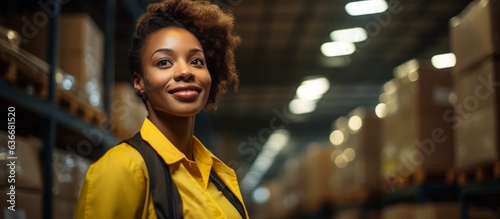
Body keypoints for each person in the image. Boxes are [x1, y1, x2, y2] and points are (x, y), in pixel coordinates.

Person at [74, 0, 248, 218]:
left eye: (196, 61)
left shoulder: (222, 177)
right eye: (164, 62)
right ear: (139, 82)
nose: (185, 71)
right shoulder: (122, 169)